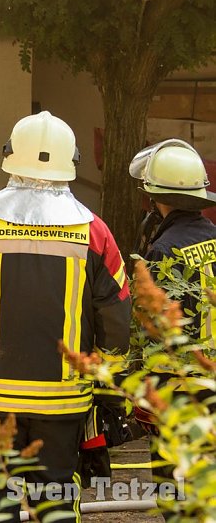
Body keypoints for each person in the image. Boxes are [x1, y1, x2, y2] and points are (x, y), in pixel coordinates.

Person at [0, 111, 131, 521]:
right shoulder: (95, 232)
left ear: (9, 157)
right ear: (72, 161)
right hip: (63, 404)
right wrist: (109, 390)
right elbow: (117, 320)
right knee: (56, 502)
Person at [128, 139, 216, 487]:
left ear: (154, 196)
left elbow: (150, 327)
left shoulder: (164, 251)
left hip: (178, 389)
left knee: (175, 489)